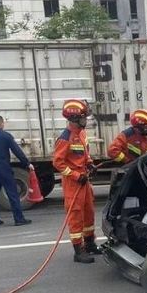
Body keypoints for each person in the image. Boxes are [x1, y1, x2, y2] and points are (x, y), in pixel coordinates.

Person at [52, 99, 99, 263]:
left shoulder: (81, 133)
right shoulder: (65, 138)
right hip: (74, 183)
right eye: (84, 117)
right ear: (74, 119)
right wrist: (75, 176)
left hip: (84, 180)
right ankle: (78, 251)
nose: (86, 120)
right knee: (76, 215)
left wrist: (90, 164)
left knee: (89, 212)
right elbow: (58, 163)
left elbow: (85, 154)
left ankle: (90, 243)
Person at [0, 114, 32, 226]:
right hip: (3, 168)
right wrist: (27, 164)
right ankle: (19, 219)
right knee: (12, 194)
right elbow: (17, 151)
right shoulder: (6, 136)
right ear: (1, 123)